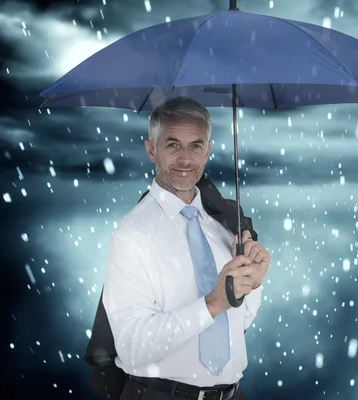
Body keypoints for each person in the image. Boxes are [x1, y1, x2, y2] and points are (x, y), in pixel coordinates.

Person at [102, 96, 270, 400]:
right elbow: (131, 345)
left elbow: (237, 324)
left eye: (195, 145)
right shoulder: (131, 235)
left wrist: (252, 286)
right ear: (151, 150)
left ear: (208, 150)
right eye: (172, 145)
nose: (185, 158)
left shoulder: (224, 228)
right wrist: (211, 304)